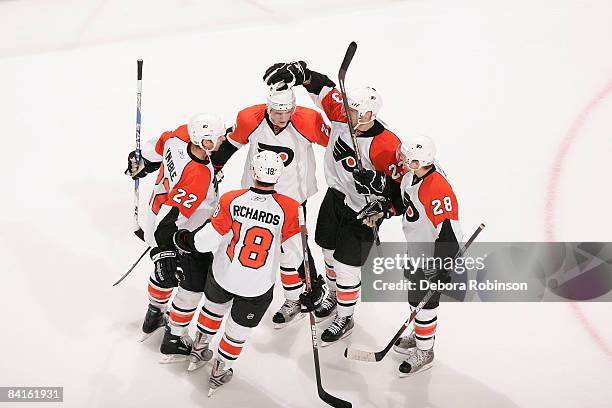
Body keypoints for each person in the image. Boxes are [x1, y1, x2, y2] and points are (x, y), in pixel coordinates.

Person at [264, 61, 405, 345]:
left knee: (346, 266)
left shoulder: (387, 144)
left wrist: (383, 200)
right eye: (349, 108)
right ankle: (332, 295)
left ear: (369, 114)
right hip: (335, 196)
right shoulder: (343, 113)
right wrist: (300, 74)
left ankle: (345, 316)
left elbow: (401, 192)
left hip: (363, 210)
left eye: (355, 111)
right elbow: (322, 86)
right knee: (327, 251)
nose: (347, 113)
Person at [172, 151, 324, 396]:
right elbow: (295, 256)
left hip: (223, 275)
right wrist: (310, 283)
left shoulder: (232, 199)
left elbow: (204, 241)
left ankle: (199, 348)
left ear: (253, 171)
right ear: (279, 175)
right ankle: (220, 369)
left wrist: (186, 239)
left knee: (212, 310)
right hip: (257, 285)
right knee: (237, 330)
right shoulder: (290, 208)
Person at [211, 86, 330, 329]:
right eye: (277, 112)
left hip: (292, 200)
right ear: (268, 107)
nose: (282, 118)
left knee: (292, 251)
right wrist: (212, 169)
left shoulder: (308, 120)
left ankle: (299, 296)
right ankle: (237, 285)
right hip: (254, 194)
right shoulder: (250, 119)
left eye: (287, 112)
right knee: (246, 244)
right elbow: (229, 145)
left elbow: (337, 143)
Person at [124, 113, 226, 362]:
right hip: (181, 233)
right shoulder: (197, 176)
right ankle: (174, 338)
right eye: (218, 138)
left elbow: (157, 144)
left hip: (154, 214)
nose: (223, 140)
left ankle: (154, 314)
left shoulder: (180, 136)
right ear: (205, 143)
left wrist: (144, 162)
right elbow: (172, 218)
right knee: (194, 284)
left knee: (163, 277)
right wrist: (164, 250)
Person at [391, 135, 463, 376]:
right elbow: (406, 204)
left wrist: (444, 267)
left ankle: (426, 350)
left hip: (432, 256)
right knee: (416, 299)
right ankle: (422, 333)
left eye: (410, 160)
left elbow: (450, 233)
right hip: (416, 248)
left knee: (426, 303)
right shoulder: (412, 175)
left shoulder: (437, 188)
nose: (405, 162)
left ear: (422, 161)